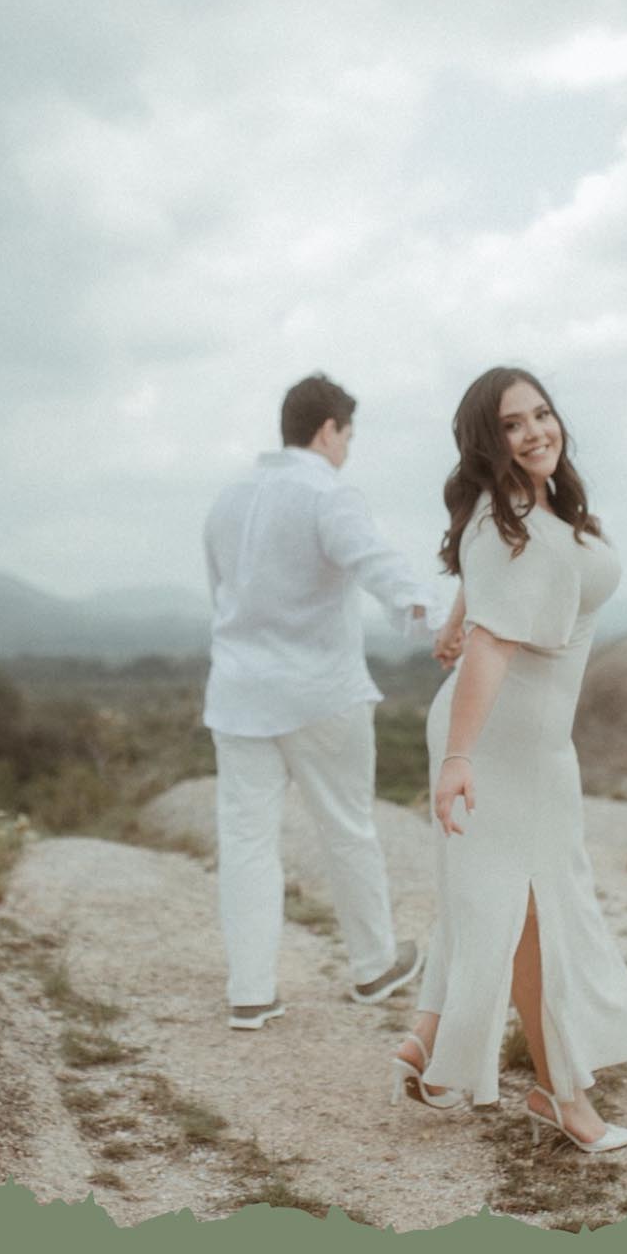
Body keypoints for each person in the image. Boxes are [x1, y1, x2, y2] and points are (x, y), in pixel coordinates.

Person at [392, 367, 627, 1151]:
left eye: (542, 413)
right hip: (504, 743)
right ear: (489, 440)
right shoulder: (519, 527)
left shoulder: (510, 512)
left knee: (500, 899)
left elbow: (485, 593)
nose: (536, 431)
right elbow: (494, 646)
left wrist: (455, 616)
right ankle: (562, 1097)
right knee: (533, 916)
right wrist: (459, 757)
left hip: (523, 739)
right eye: (513, 424)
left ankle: (435, 1036)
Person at [203, 372, 444, 1028]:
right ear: (327, 430)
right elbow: (378, 565)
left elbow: (221, 596)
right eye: (348, 437)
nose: (347, 451)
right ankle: (373, 966)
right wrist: (437, 622)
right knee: (347, 829)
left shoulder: (227, 501)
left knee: (246, 843)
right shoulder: (327, 495)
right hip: (320, 693)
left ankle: (250, 992)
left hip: (239, 694)